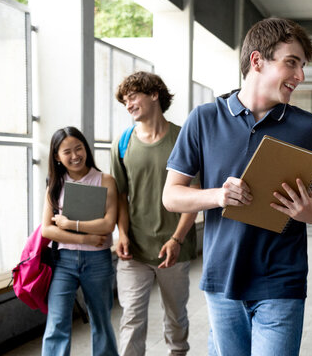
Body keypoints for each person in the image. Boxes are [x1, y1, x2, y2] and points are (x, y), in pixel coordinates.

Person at [163, 17, 312, 356]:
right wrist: (217, 195)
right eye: (292, 63)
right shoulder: (204, 119)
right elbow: (171, 196)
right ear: (257, 61)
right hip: (222, 278)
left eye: (301, 66)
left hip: (281, 279)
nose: (300, 76)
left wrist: (308, 210)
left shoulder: (308, 128)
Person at [111, 71, 198, 356]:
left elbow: (194, 195)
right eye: (124, 100)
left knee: (175, 320)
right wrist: (121, 233)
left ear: (154, 94)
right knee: (132, 319)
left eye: (133, 96)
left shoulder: (184, 138)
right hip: (134, 250)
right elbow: (121, 196)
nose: (128, 104)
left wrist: (176, 239)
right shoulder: (122, 142)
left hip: (174, 248)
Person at [41, 126, 118, 356]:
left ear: (86, 149)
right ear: (57, 156)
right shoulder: (54, 184)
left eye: (79, 148)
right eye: (67, 152)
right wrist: (88, 237)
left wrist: (70, 225)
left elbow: (108, 224)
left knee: (102, 321)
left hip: (98, 260)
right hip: (63, 262)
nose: (75, 156)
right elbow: (47, 230)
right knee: (57, 323)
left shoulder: (105, 180)